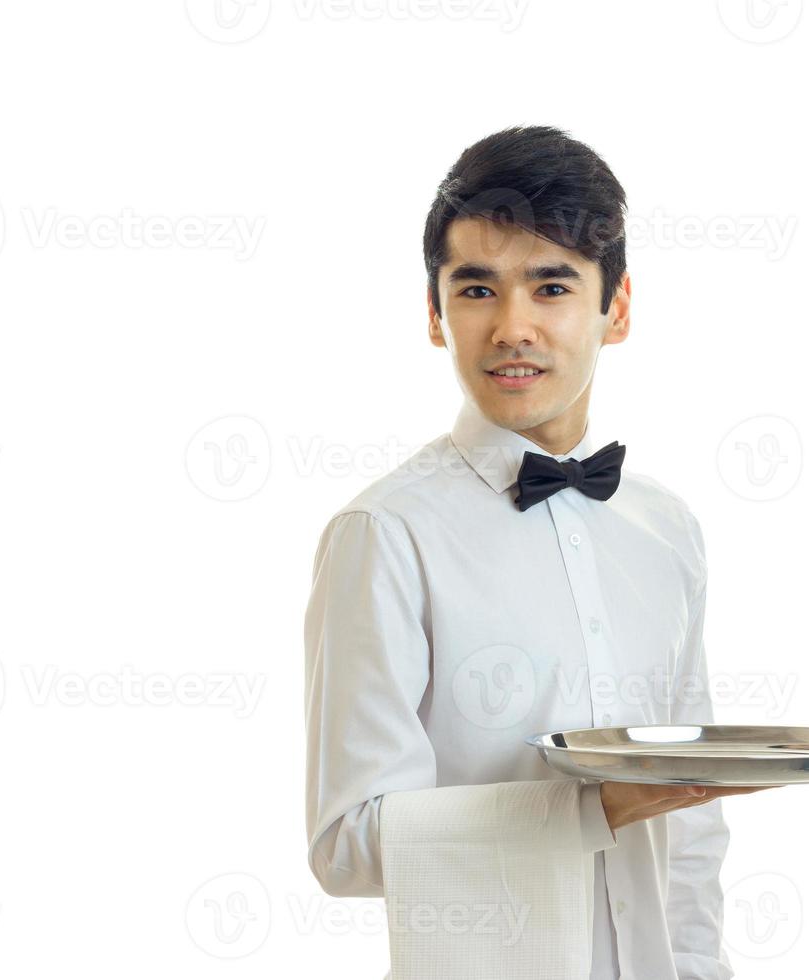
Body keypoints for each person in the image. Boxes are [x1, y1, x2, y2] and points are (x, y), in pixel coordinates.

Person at [304, 124, 776, 980]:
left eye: (551, 286)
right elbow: (347, 845)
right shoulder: (385, 535)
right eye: (477, 289)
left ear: (617, 308)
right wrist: (592, 810)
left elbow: (693, 833)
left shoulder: (667, 530)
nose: (512, 327)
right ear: (435, 314)